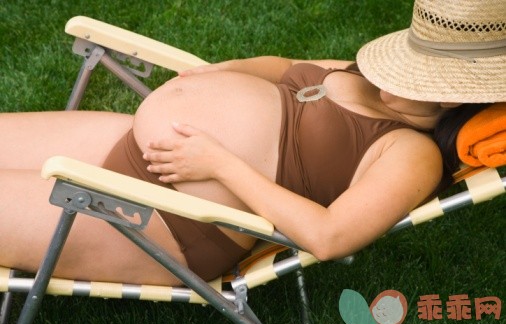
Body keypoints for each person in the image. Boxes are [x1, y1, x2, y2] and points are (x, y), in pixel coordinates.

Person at [0, 0, 504, 285]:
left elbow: (330, 238)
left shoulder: (410, 152)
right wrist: (213, 76)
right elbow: (284, 69)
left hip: (169, 227)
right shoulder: (360, 73)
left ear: (457, 95)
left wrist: (219, 163)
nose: (391, 81)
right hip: (132, 147)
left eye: (419, 77)